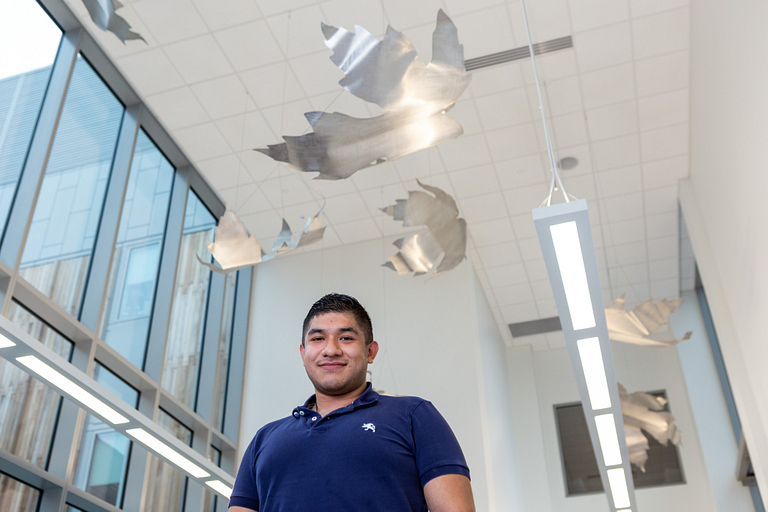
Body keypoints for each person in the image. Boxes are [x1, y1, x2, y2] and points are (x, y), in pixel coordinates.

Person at [229, 293, 475, 512]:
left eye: (346, 338)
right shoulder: (265, 438)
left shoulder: (414, 416)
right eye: (317, 339)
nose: (331, 350)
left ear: (370, 352)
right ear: (303, 354)